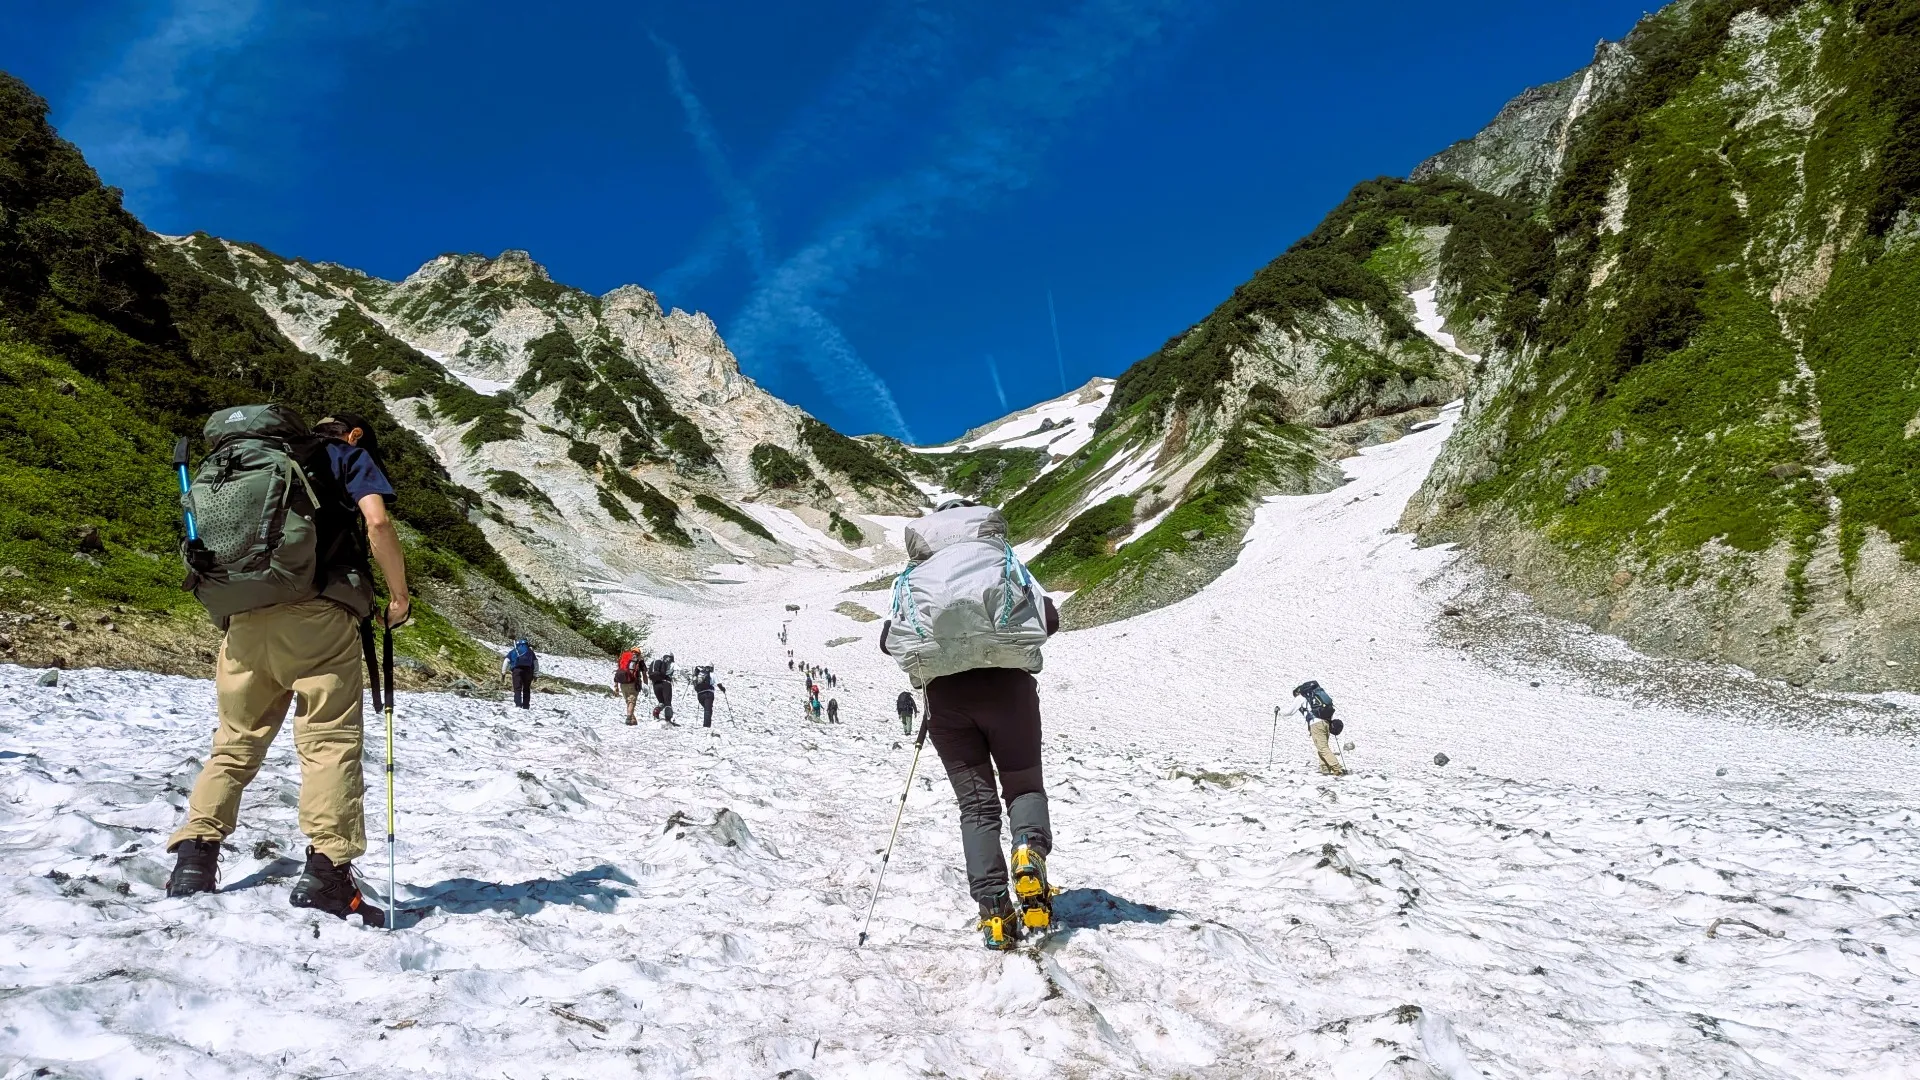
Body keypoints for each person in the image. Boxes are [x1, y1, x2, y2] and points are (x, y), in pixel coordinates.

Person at [164, 406, 410, 926]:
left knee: (235, 740)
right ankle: (327, 871)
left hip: (244, 616)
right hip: (317, 616)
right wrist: (399, 597)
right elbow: (377, 522)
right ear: (355, 433)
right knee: (328, 740)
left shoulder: (241, 464)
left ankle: (194, 859)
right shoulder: (346, 455)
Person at [880, 498, 1060, 950]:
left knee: (976, 807)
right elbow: (1049, 618)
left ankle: (994, 913)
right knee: (1023, 786)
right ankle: (1028, 851)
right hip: (1009, 691)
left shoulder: (915, 576)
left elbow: (889, 640)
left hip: (946, 702)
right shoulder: (1000, 559)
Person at [1295, 680, 1346, 776]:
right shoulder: (1313, 697)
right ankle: (1325, 768)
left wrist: (1278, 711)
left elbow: (1289, 712)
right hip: (1325, 722)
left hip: (1316, 724)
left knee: (1322, 747)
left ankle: (1337, 769)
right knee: (1322, 746)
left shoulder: (1301, 698)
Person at [614, 647, 645, 725]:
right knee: (631, 701)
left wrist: (616, 686)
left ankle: (632, 719)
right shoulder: (639, 660)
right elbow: (644, 674)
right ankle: (628, 718)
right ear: (639, 653)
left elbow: (618, 671)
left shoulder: (624, 659)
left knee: (628, 701)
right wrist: (646, 684)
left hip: (622, 683)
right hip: (633, 683)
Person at [504, 639, 538, 708]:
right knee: (526, 689)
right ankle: (526, 706)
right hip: (528, 671)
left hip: (517, 670)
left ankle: (518, 705)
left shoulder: (513, 651)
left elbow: (506, 661)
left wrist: (503, 673)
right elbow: (535, 663)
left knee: (517, 688)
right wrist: (535, 674)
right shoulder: (530, 652)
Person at [649, 653, 677, 723]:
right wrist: (688, 678)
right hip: (666, 684)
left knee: (661, 702)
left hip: (655, 684)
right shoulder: (671, 664)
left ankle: (656, 710)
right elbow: (681, 670)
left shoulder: (658, 663)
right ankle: (668, 718)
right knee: (667, 702)